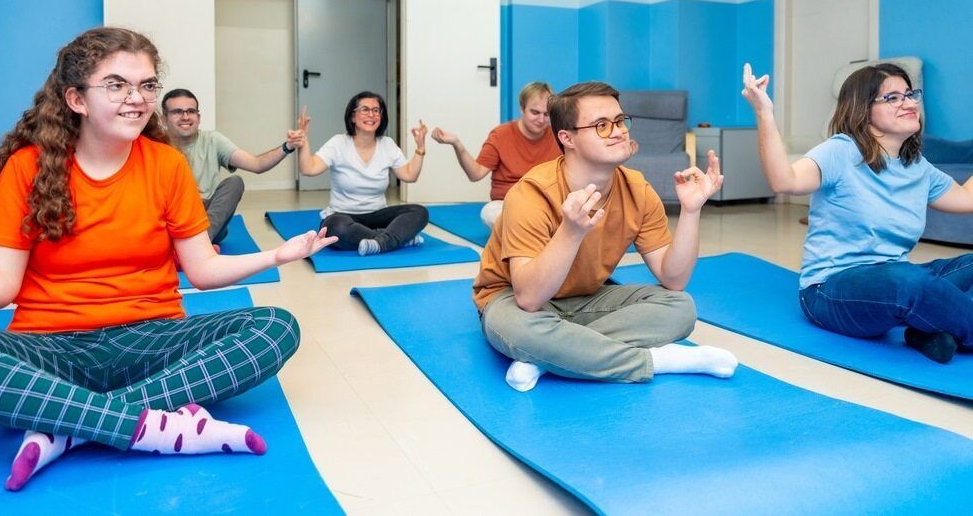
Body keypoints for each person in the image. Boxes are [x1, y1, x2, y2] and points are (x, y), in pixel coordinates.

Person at [0, 28, 336, 491]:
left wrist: (278, 255)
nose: (136, 99)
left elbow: (202, 270)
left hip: (150, 340)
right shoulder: (27, 167)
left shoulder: (166, 165)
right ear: (76, 99)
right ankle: (150, 423)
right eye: (117, 84)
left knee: (277, 327)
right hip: (50, 347)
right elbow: (0, 286)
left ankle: (66, 426)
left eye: (146, 86)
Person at [473, 81, 738, 392]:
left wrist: (692, 212)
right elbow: (529, 298)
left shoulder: (637, 188)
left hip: (587, 298)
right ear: (566, 138)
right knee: (516, 329)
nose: (618, 131)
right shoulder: (531, 192)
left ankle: (548, 357)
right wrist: (570, 232)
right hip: (513, 298)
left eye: (619, 121)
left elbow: (673, 279)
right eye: (601, 125)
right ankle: (662, 361)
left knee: (681, 307)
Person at [741, 62, 973, 363]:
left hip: (893, 282)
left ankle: (928, 330)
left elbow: (967, 198)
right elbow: (785, 180)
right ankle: (944, 323)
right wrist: (764, 113)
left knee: (920, 277)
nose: (909, 103)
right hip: (830, 291)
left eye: (910, 94)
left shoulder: (917, 167)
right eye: (892, 97)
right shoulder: (842, 151)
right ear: (863, 110)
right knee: (909, 282)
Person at [161, 88, 305, 244]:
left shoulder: (212, 140)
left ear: (198, 117)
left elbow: (257, 165)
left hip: (207, 218)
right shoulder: (155, 146)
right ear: (164, 119)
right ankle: (192, 247)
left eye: (191, 111)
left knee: (235, 182)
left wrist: (287, 147)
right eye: (177, 112)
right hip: (174, 216)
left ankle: (198, 245)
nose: (185, 117)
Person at [297, 92, 429, 256]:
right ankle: (396, 239)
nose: (371, 114)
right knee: (335, 228)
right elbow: (308, 169)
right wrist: (303, 141)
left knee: (419, 212)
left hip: (378, 214)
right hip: (343, 215)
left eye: (376, 110)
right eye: (365, 109)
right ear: (352, 116)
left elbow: (410, 176)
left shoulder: (387, 144)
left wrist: (421, 147)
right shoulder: (338, 143)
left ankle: (380, 242)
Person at [432, 81, 562, 227]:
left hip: (544, 203)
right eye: (535, 112)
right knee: (489, 213)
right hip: (506, 204)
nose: (541, 120)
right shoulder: (501, 135)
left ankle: (532, 232)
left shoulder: (558, 136)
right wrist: (457, 144)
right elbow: (475, 174)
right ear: (522, 108)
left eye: (546, 114)